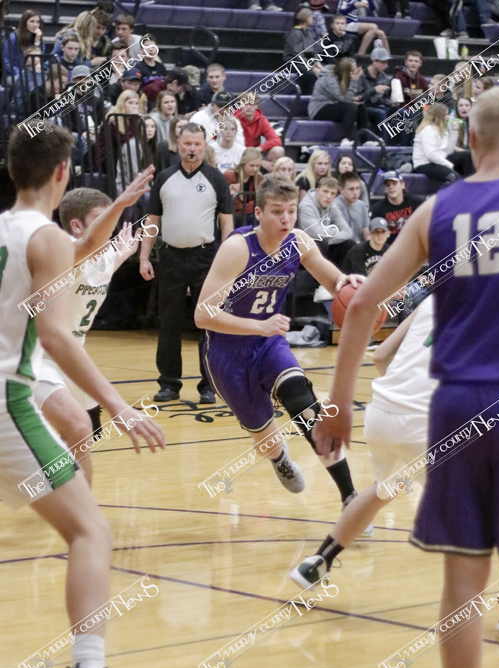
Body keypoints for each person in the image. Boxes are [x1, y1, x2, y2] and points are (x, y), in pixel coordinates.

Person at [312, 84, 499, 668]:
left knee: (464, 574)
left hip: (451, 406)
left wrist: (339, 401)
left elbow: (363, 303)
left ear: (471, 141)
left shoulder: (437, 209)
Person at [0, 122, 165, 668]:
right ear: (62, 172)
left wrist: (118, 205)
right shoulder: (44, 236)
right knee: (92, 532)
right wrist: (117, 404)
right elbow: (55, 336)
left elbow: (89, 249)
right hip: (9, 396)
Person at [194, 175, 361, 525]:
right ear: (258, 213)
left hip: (269, 343)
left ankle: (350, 497)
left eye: (291, 211)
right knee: (265, 439)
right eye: (276, 212)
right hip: (227, 353)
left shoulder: (298, 242)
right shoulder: (237, 248)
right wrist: (258, 326)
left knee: (305, 404)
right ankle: (279, 458)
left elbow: (333, 280)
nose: (286, 219)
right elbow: (203, 315)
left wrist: (348, 283)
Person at [289, 296, 434, 583]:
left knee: (384, 489)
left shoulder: (431, 301)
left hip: (382, 409)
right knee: (487, 505)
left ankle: (318, 562)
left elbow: (380, 356)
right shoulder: (495, 308)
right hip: (425, 419)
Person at [33, 174, 153, 482]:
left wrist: (125, 251)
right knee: (75, 428)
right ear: (76, 226)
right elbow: (88, 246)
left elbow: (107, 261)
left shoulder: (105, 256)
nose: (109, 229)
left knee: (85, 436)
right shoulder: (64, 254)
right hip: (38, 357)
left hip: (72, 356)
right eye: (102, 220)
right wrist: (121, 203)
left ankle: (65, 489)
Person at [139, 123, 234, 403]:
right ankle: (169, 384)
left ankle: (209, 384)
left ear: (204, 146)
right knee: (168, 323)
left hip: (206, 259)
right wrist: (144, 256)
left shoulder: (216, 178)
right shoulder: (164, 178)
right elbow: (152, 221)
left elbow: (227, 223)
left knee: (209, 323)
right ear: (178, 144)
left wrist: (228, 259)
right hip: (170, 258)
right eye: (187, 143)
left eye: (197, 144)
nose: (192, 149)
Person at [298, 175, 355, 269]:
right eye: (325, 191)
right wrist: (335, 231)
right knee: (321, 244)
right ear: (317, 190)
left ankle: (341, 275)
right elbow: (317, 233)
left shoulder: (332, 206)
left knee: (349, 244)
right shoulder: (306, 206)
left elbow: (348, 232)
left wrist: (330, 240)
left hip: (325, 243)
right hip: (304, 247)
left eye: (332, 193)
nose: (328, 196)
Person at [308, 57, 367, 143]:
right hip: (319, 109)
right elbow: (344, 99)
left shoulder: (340, 77)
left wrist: (352, 98)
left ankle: (364, 141)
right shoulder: (329, 79)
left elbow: (343, 97)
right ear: (347, 72)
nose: (355, 73)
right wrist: (354, 80)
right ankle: (345, 139)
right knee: (351, 107)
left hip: (333, 105)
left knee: (361, 107)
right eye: (353, 71)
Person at [413, 102, 460, 186]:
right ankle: (441, 194)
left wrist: (454, 132)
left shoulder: (442, 130)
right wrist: (449, 165)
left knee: (466, 156)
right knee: (454, 177)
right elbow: (431, 155)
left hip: (437, 161)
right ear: (439, 116)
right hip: (424, 164)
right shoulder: (427, 130)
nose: (448, 117)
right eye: (445, 115)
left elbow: (448, 151)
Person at [235, 92, 284, 172]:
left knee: (278, 150)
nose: (249, 107)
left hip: (256, 153)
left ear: (256, 106)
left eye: (252, 104)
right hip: (238, 154)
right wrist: (260, 162)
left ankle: (271, 177)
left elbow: (276, 140)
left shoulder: (261, 119)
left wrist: (259, 149)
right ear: (240, 105)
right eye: (245, 104)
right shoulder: (234, 119)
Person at [370, 170, 421, 244]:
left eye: (394, 183)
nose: (391, 187)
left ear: (402, 185)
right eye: (388, 185)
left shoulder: (416, 203)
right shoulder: (377, 209)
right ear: (385, 189)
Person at [283, 8, 324, 96]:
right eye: (311, 17)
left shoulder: (309, 33)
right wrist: (312, 68)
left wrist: (317, 62)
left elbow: (311, 50)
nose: (312, 19)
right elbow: (297, 55)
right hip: (293, 61)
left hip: (304, 60)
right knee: (310, 73)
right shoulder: (295, 33)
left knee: (324, 71)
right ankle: (306, 95)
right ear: (307, 19)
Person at [96, 89, 140, 172]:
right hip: (110, 162)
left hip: (128, 158)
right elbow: (123, 143)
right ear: (122, 104)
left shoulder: (137, 120)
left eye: (136, 103)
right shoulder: (112, 121)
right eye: (130, 103)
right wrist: (135, 119)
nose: (134, 106)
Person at [224, 147, 264, 227]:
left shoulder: (259, 177)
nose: (255, 169)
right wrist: (251, 205)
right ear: (243, 163)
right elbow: (235, 205)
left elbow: (260, 200)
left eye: (258, 166)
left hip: (250, 214)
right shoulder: (230, 176)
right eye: (252, 165)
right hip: (234, 214)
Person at [116, 115, 157, 193]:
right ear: (139, 129)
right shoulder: (133, 145)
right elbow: (133, 173)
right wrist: (150, 189)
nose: (150, 130)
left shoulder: (149, 145)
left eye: (152, 127)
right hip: (127, 188)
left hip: (142, 185)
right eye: (146, 127)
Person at [3, 9, 42, 78]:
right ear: (25, 23)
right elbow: (6, 62)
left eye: (37, 22)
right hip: (14, 75)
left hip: (32, 74)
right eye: (32, 21)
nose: (35, 25)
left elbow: (39, 59)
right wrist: (21, 73)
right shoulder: (13, 38)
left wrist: (37, 42)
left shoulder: (37, 36)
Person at [333, 171, 370, 242]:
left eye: (358, 188)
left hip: (359, 245)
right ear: (341, 190)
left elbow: (366, 233)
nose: (355, 192)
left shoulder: (362, 205)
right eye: (351, 189)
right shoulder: (335, 206)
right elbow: (343, 236)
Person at [361, 48, 391, 131]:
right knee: (381, 113)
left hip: (381, 106)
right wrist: (373, 91)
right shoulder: (361, 76)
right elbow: (357, 98)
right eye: (383, 62)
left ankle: (411, 139)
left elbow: (386, 98)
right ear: (374, 61)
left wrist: (391, 103)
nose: (386, 66)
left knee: (403, 113)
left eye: (386, 62)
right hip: (365, 107)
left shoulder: (384, 77)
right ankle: (382, 140)